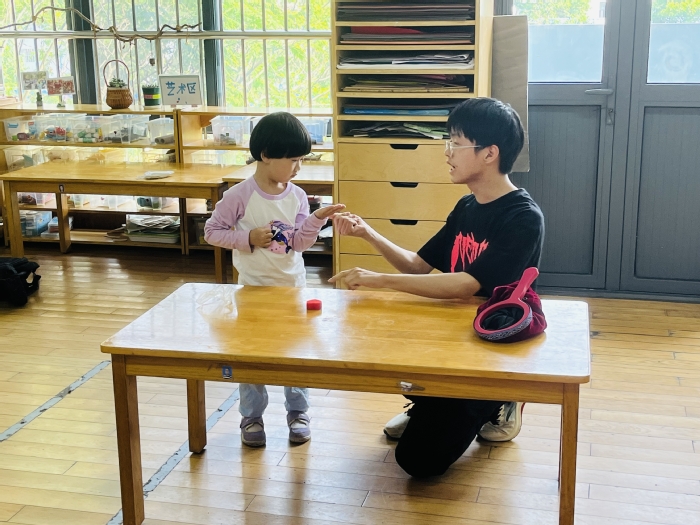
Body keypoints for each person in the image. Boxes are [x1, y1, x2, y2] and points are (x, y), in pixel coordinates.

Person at [329, 98, 544, 477]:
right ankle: (430, 402)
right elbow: (418, 265)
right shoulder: (466, 207)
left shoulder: (523, 217)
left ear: (489, 153)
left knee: (417, 462)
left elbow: (466, 285)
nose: (447, 153)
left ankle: (501, 397)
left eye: (456, 144)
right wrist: (368, 233)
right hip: (451, 335)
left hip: (488, 348)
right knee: (383, 333)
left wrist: (378, 280)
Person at [204, 112, 345, 447]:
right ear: (266, 155)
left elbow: (298, 243)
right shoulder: (238, 196)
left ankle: (298, 412)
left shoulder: (297, 196)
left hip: (292, 289)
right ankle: (251, 417)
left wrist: (316, 219)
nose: (298, 168)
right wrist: (247, 238)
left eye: (301, 160)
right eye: (293, 160)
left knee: (295, 353)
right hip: (253, 291)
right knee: (252, 355)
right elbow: (211, 232)